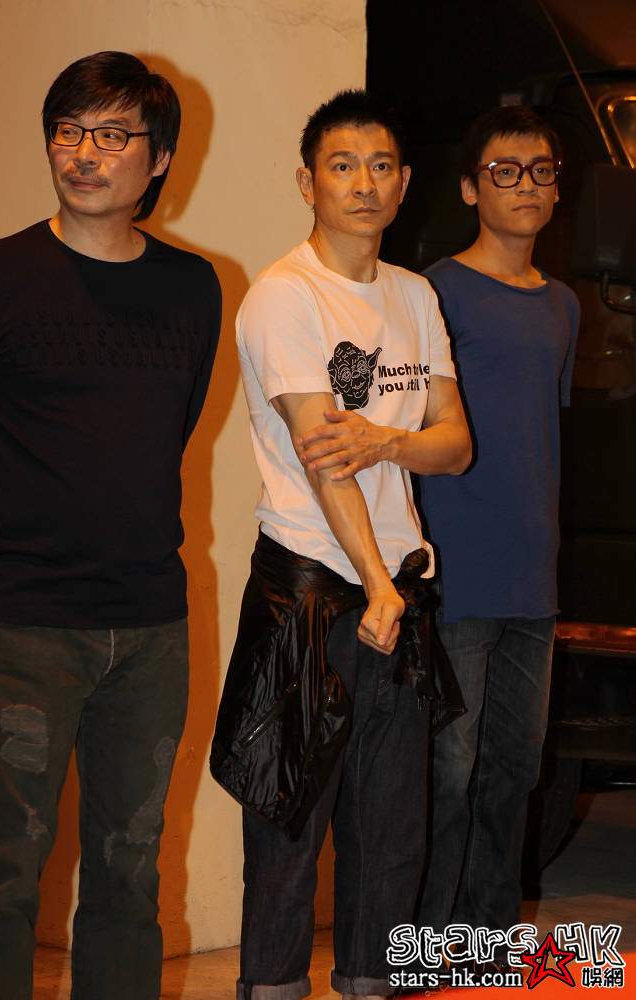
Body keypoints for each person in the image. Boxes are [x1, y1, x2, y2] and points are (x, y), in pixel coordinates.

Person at [300, 104, 579, 961]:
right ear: (467, 188)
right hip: (451, 573)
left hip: (533, 578)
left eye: (541, 171)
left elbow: (537, 437)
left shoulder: (564, 306)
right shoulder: (432, 293)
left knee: (515, 771)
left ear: (558, 189)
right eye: (504, 171)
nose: (525, 186)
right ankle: (424, 954)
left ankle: (488, 949)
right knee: (446, 773)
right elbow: (403, 430)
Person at [0, 51, 221, 1000]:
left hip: (150, 626)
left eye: (113, 135)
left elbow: (171, 429)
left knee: (130, 871)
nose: (84, 153)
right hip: (21, 622)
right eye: (69, 130)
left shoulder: (194, 288)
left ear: (159, 159)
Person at [216, 89, 470, 1000]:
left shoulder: (414, 293)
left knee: (392, 829)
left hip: (398, 588)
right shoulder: (283, 297)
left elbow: (454, 444)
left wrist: (388, 443)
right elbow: (325, 459)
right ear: (307, 183)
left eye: (380, 166)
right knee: (289, 822)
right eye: (342, 165)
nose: (363, 183)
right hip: (309, 590)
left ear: (403, 184)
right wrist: (377, 585)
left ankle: (373, 984)